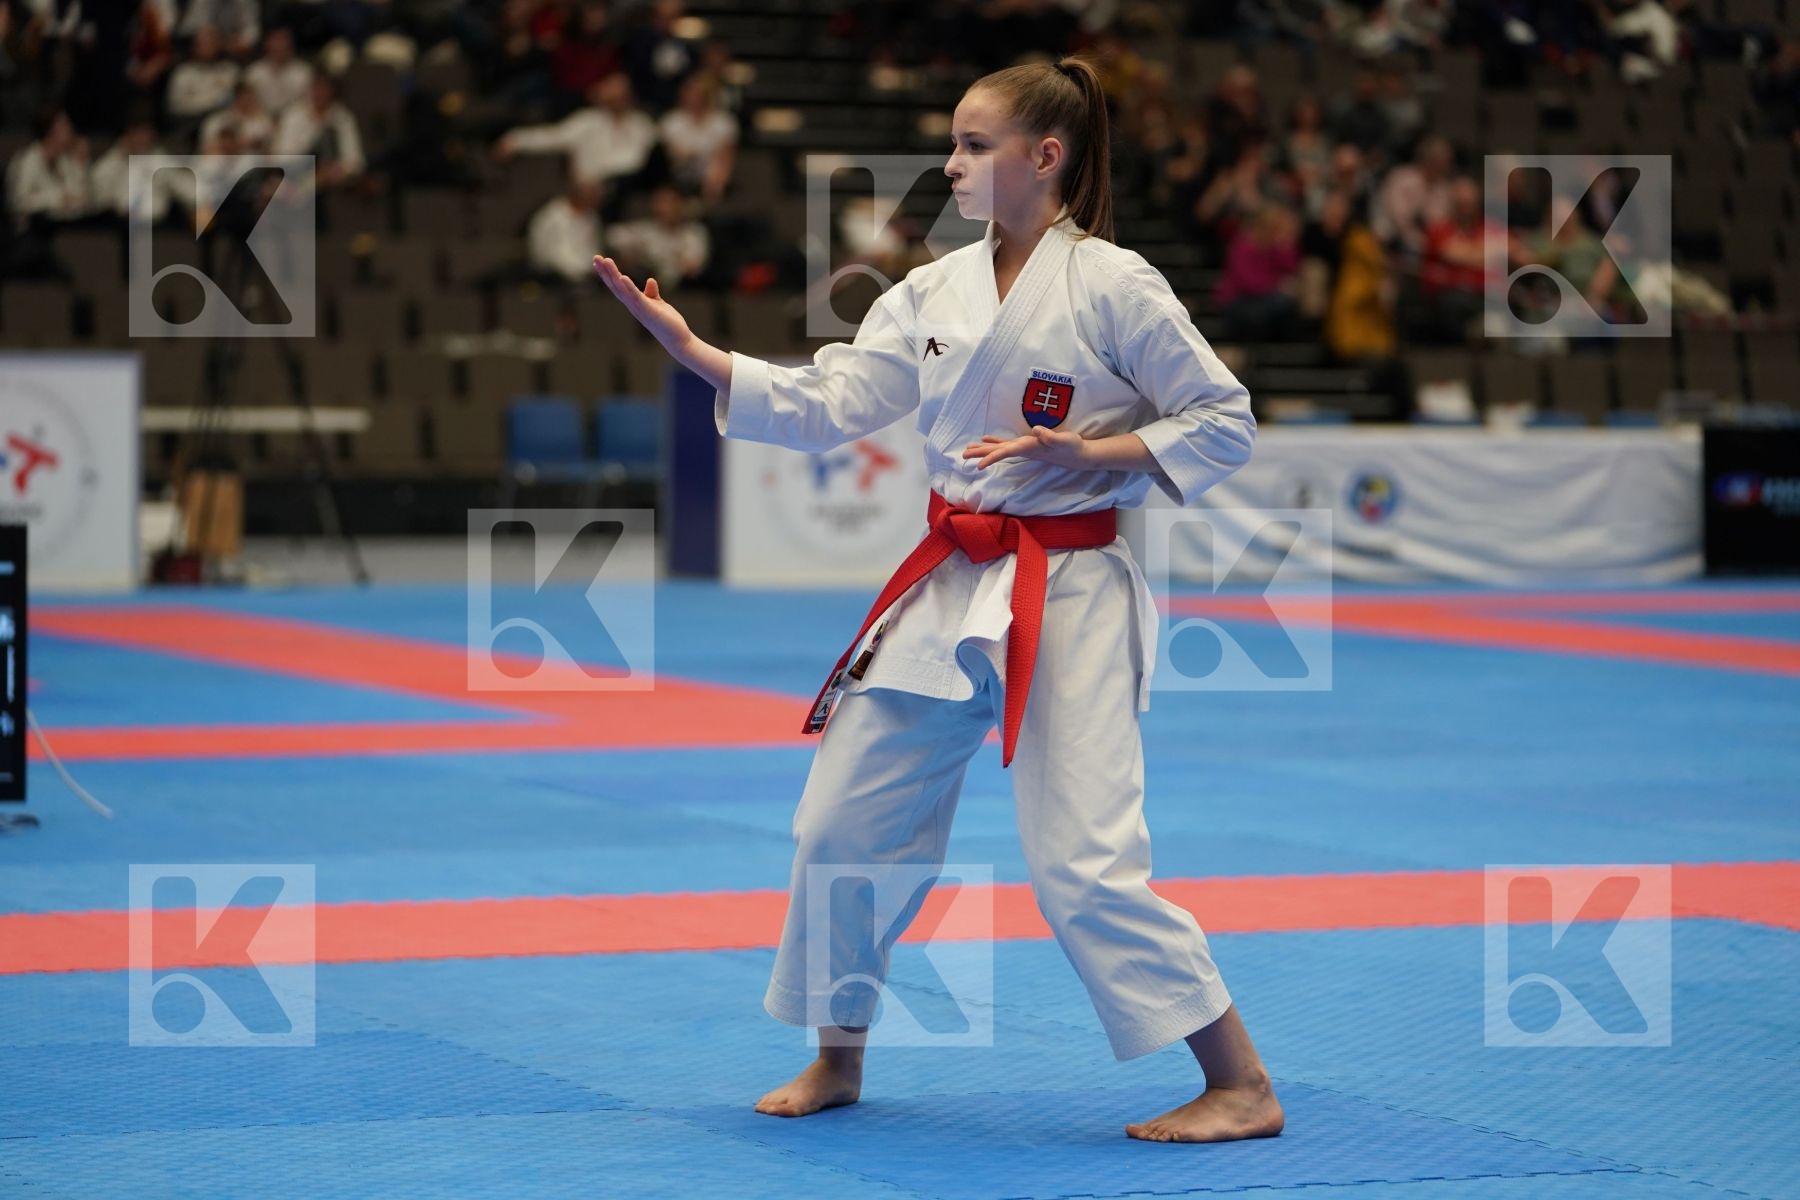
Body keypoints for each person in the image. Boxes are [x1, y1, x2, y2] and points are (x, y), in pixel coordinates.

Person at [591, 55, 1283, 1144]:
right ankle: (837, 1055)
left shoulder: (1115, 284)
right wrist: (702, 355)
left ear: (1043, 157)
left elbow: (1224, 421)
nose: (950, 163)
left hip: (1069, 585)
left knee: (1083, 862)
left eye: (972, 144)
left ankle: (1240, 1081)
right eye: (952, 142)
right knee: (840, 818)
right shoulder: (931, 289)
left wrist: (1090, 446)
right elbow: (832, 401)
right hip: (951, 575)